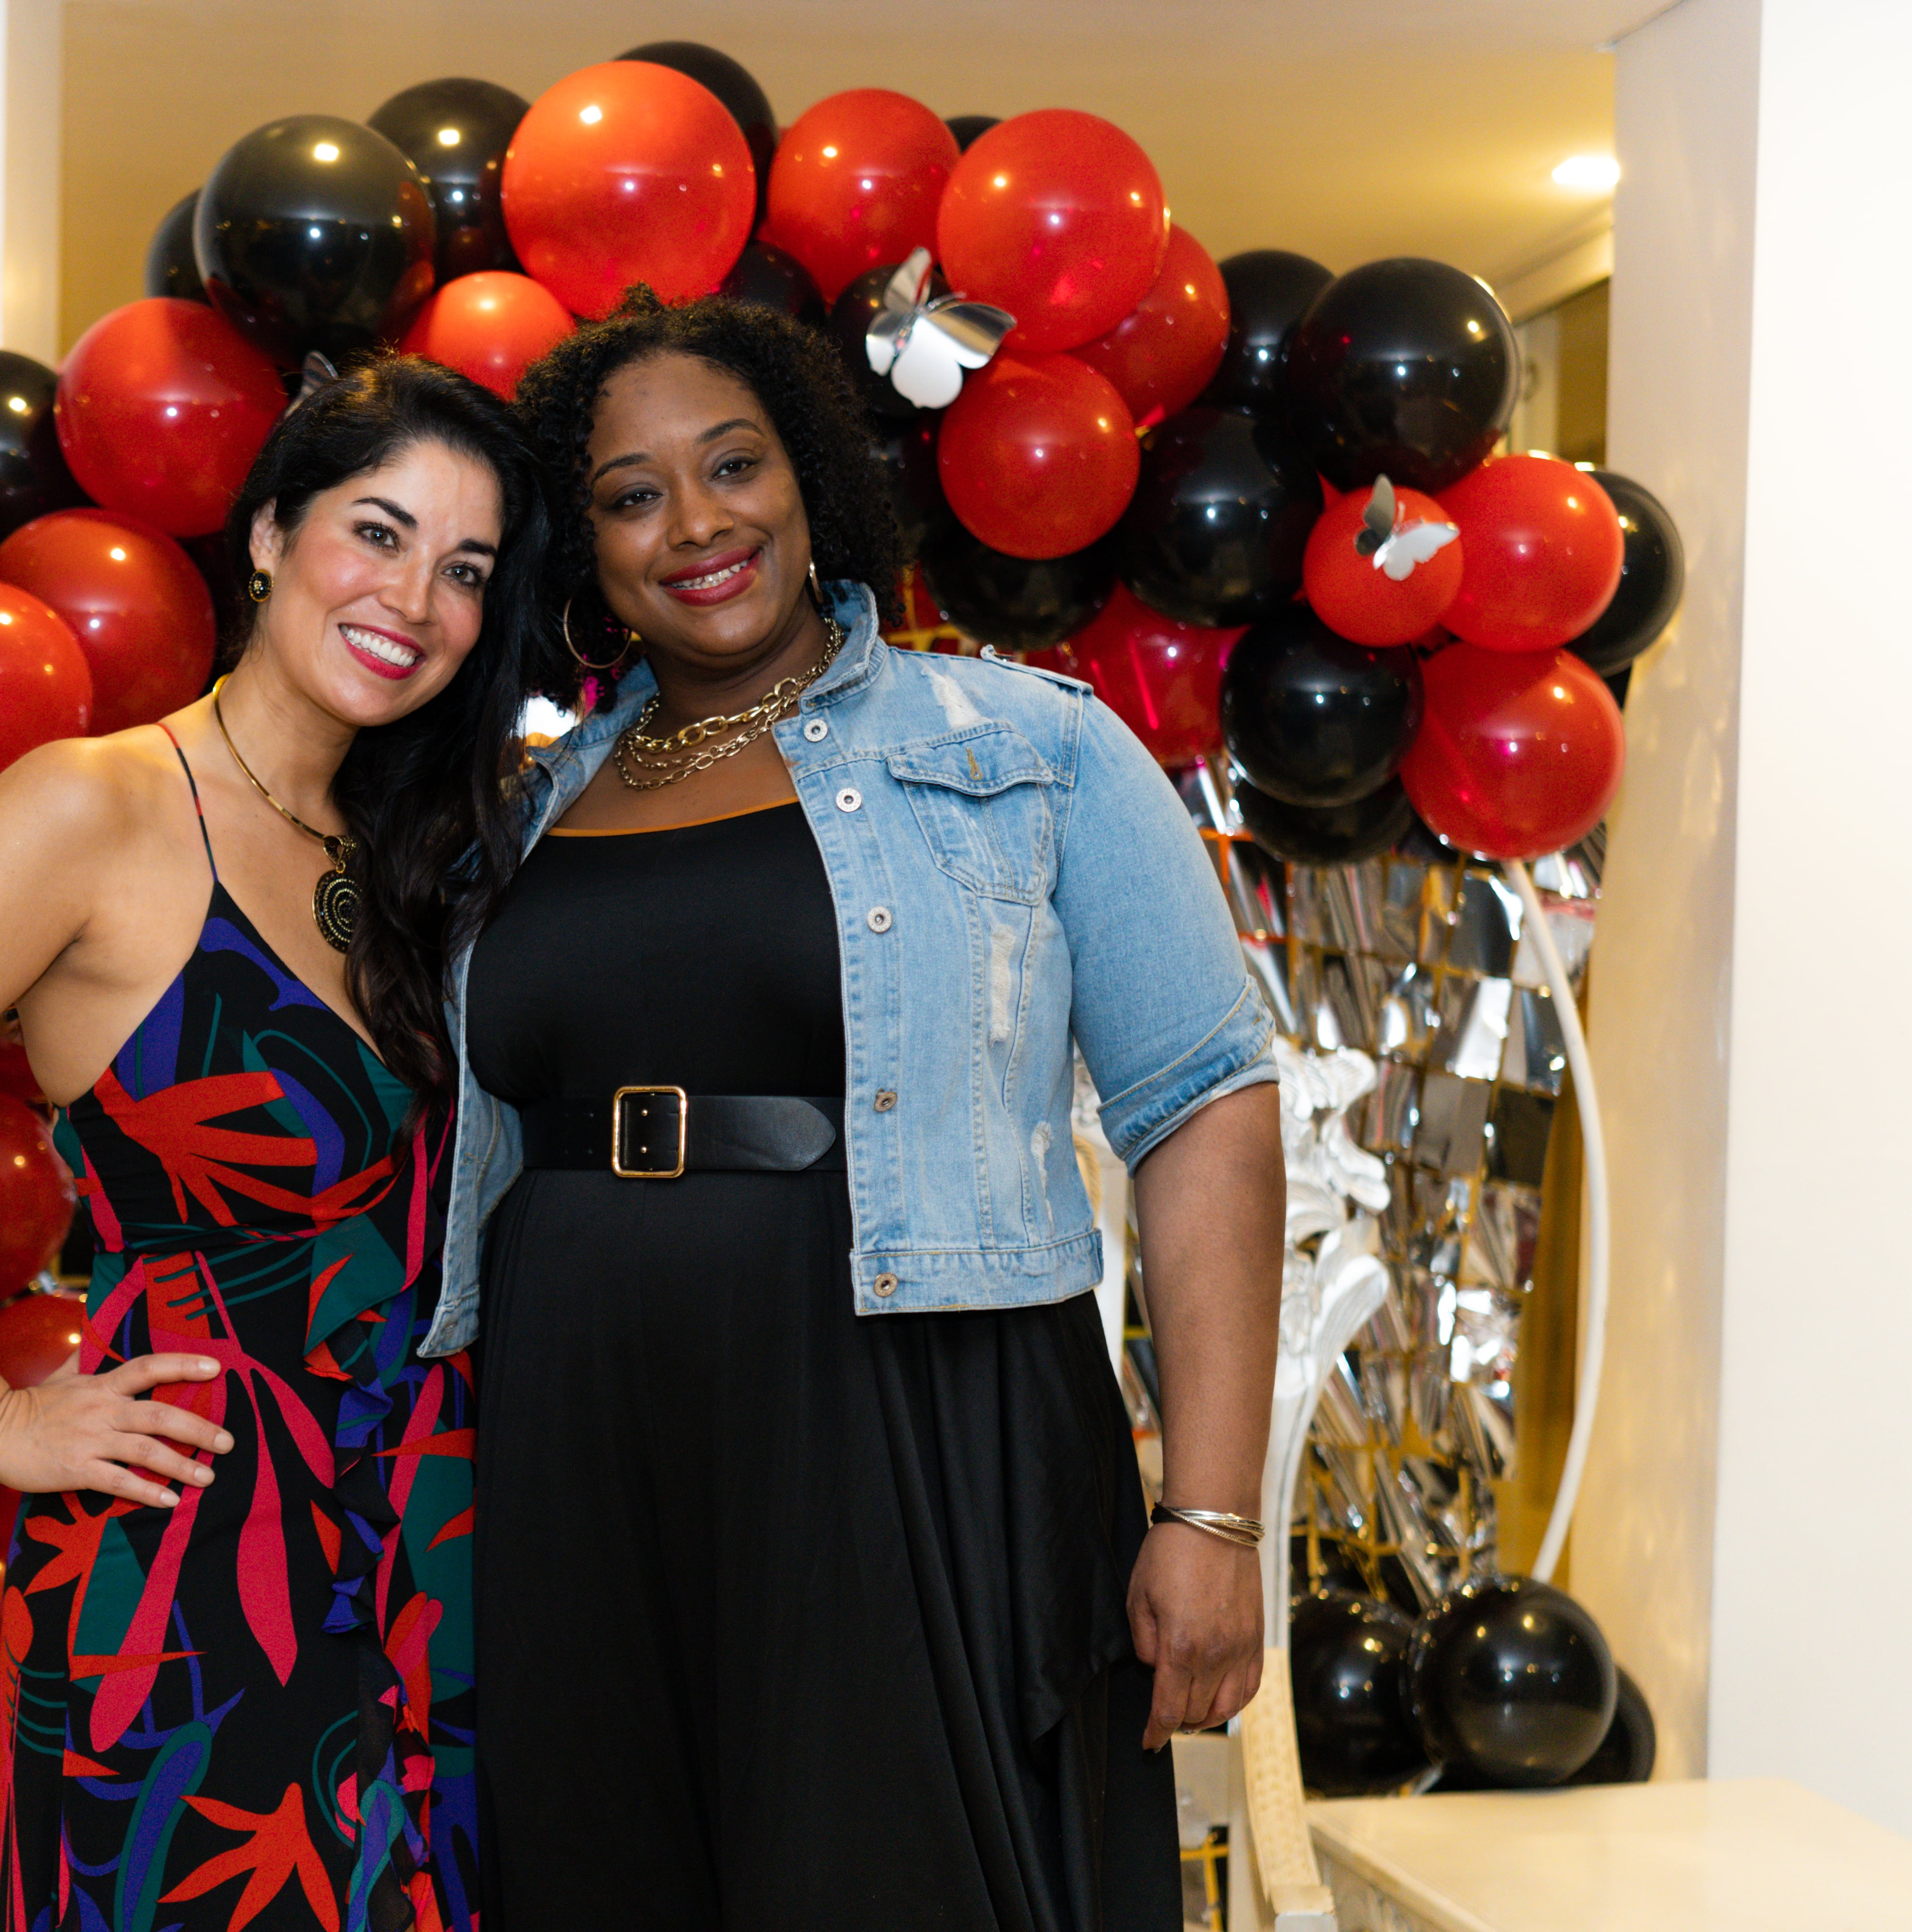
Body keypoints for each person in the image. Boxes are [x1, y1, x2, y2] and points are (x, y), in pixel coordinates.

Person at [446, 290, 1285, 1931]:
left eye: (734, 465)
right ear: (584, 550)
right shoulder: (530, 810)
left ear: (812, 479)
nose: (697, 524)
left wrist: (1212, 1513)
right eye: (631, 496)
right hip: (575, 1434)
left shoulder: (1032, 749)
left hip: (909, 1414)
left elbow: (1204, 1110)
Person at [0, 355, 549, 1932]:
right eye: (378, 533)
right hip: (198, 1554)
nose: (414, 599)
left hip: (429, 1531)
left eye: (465, 569)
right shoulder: (92, 809)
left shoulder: (414, 848)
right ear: (271, 535)